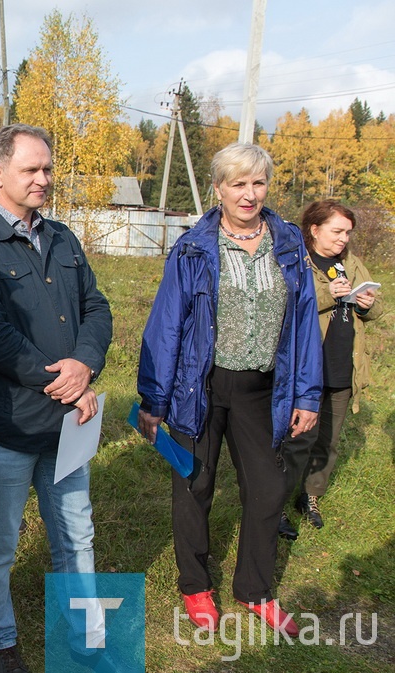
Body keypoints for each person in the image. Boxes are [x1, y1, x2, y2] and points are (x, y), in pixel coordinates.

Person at [0, 124, 113, 673]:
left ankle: (82, 631)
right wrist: (60, 379)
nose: (43, 179)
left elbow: (97, 308)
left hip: (69, 419)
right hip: (8, 425)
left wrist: (85, 365)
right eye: (30, 170)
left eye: (46, 169)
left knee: (76, 531)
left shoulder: (62, 237)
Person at [137, 142, 321, 639]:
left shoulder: (288, 245)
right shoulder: (194, 248)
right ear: (217, 188)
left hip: (264, 390)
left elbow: (303, 323)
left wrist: (307, 395)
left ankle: (255, 589)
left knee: (267, 488)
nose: (248, 193)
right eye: (237, 183)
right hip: (202, 385)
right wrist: (154, 401)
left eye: (257, 183)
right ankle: (195, 584)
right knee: (195, 483)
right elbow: (167, 325)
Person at [280, 200, 381, 536]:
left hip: (342, 365)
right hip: (308, 368)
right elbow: (286, 304)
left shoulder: (351, 263)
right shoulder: (298, 260)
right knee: (297, 442)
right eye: (337, 231)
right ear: (315, 229)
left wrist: (367, 304)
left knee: (328, 441)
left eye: (348, 233)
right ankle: (275, 505)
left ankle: (310, 497)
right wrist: (327, 294)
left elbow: (377, 310)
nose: (343, 239)